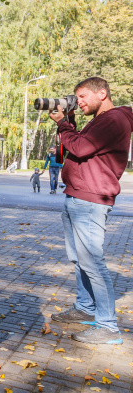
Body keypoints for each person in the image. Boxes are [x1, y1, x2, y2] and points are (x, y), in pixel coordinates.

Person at [47, 77, 133, 344]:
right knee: (79, 259)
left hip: (90, 201)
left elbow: (80, 148)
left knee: (93, 263)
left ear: (103, 93)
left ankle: (108, 326)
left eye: (83, 96)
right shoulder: (100, 121)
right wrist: (69, 123)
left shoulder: (115, 119)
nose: (80, 101)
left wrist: (63, 123)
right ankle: (85, 307)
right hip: (77, 197)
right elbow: (78, 144)